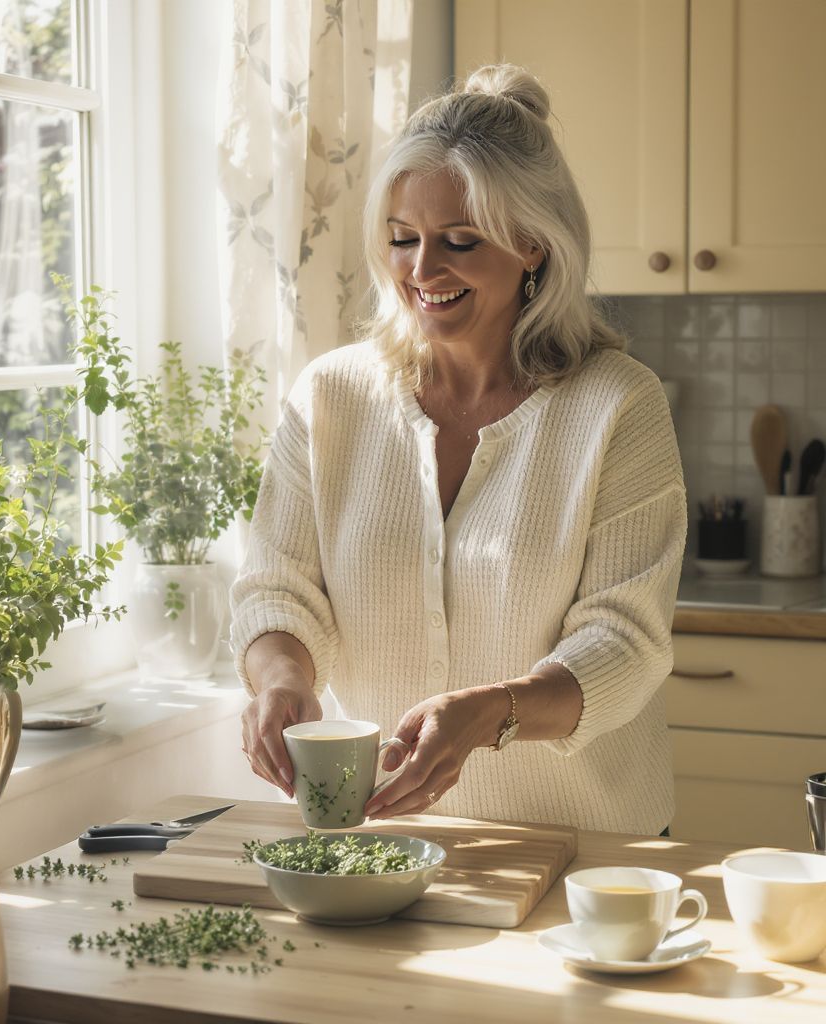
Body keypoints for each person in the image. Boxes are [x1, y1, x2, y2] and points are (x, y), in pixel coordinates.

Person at [230, 64, 686, 835]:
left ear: (533, 243)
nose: (422, 270)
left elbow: (625, 644)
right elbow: (278, 590)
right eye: (402, 239)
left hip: (590, 850)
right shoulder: (330, 398)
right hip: (389, 843)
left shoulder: (618, 405)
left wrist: (489, 714)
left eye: (459, 241)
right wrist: (279, 677)